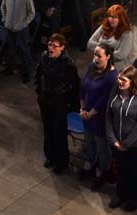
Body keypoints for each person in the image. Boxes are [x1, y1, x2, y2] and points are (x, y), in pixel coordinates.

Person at [105, 66, 137, 211]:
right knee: (120, 170)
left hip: (134, 144)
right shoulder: (115, 90)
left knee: (133, 172)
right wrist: (113, 139)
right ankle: (120, 194)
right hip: (117, 142)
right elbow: (108, 115)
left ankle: (133, 198)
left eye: (123, 80)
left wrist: (126, 143)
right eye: (119, 78)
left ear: (132, 81)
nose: (120, 82)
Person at [35, 33, 80, 174]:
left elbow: (75, 85)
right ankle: (50, 157)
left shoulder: (67, 63)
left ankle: (61, 162)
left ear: (62, 48)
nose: (51, 48)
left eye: (54, 46)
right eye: (49, 44)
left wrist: (70, 105)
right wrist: (39, 91)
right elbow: (38, 74)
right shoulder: (44, 57)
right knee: (48, 130)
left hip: (60, 103)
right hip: (45, 100)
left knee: (59, 133)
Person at [79, 43, 118, 190]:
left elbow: (104, 99)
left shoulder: (113, 76)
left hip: (101, 117)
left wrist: (91, 113)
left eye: (99, 56)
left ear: (108, 57)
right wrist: (83, 108)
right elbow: (83, 87)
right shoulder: (91, 67)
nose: (95, 58)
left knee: (102, 146)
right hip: (87, 112)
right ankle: (89, 163)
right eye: (95, 54)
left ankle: (101, 170)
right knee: (89, 140)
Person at [0, 0, 35, 83]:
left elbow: (31, 13)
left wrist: (24, 23)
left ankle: (26, 73)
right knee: (10, 50)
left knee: (23, 50)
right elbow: (3, 7)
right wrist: (4, 19)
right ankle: (9, 69)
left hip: (21, 29)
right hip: (9, 27)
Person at [87, 4, 134, 70]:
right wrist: (108, 49)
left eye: (114, 17)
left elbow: (121, 55)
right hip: (99, 63)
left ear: (121, 18)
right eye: (109, 16)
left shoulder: (127, 34)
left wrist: (100, 50)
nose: (111, 19)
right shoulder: (104, 26)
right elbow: (90, 43)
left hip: (117, 67)